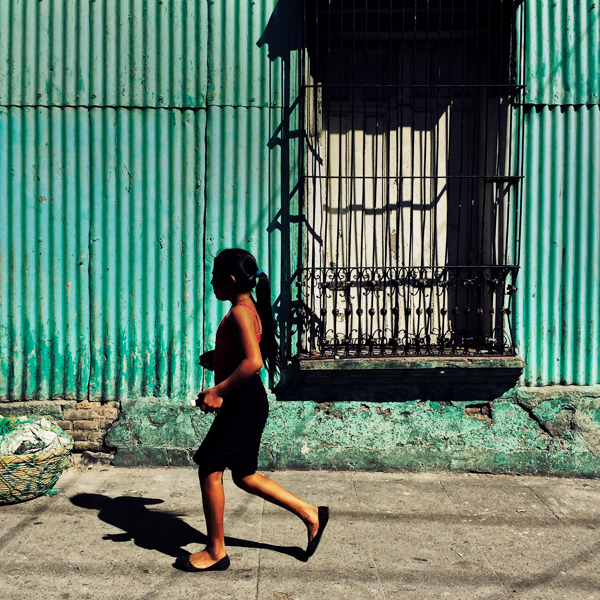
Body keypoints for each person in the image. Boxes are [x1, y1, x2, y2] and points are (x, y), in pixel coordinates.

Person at [175, 248, 329, 573]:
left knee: (209, 468)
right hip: (247, 401)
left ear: (230, 281)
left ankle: (216, 551)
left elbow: (254, 361)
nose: (212, 282)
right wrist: (217, 359)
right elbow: (245, 352)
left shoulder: (241, 313)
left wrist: (217, 390)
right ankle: (311, 514)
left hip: (242, 404)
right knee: (244, 475)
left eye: (215, 277)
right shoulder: (246, 308)